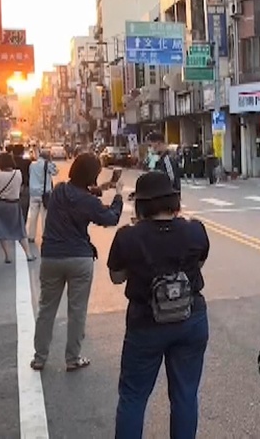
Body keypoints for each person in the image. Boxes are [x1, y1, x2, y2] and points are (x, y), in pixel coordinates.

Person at [108, 171, 209, 439]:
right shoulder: (195, 230)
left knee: (133, 396)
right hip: (191, 318)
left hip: (146, 322)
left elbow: (116, 277)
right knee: (185, 394)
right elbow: (198, 264)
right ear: (173, 202)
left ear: (140, 205)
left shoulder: (128, 237)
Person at [31, 153, 123, 372]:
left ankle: (39, 358)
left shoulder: (59, 190)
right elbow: (111, 218)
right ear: (92, 176)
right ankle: (72, 358)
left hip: (52, 256)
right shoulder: (89, 202)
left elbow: (79, 195)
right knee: (77, 310)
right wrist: (118, 194)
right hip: (79, 259)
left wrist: (104, 187)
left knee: (46, 309)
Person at [0, 152, 34, 263]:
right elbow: (23, 187)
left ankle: (8, 256)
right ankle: (28, 254)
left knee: (1, 228)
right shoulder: (18, 173)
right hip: (14, 204)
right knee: (20, 228)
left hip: (0, 204)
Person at [28, 149, 59, 244]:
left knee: (33, 216)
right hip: (44, 194)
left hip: (33, 193)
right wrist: (51, 161)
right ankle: (45, 235)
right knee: (45, 216)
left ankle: (31, 236)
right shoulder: (47, 165)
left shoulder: (32, 165)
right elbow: (56, 171)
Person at [10, 144, 34, 224]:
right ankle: (22, 228)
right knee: (24, 211)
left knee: (12, 211)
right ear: (23, 152)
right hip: (25, 187)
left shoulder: (9, 162)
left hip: (11, 188)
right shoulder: (27, 162)